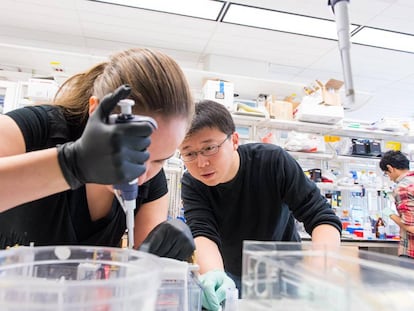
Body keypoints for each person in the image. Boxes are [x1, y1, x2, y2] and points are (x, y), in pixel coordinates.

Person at [0, 47, 195, 260]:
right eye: (131, 152)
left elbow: (142, 266)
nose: (139, 176)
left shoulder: (151, 182)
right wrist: (70, 164)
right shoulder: (38, 128)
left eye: (159, 160)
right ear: (95, 110)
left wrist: (164, 254)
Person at [179, 99, 342, 310]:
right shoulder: (192, 182)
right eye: (189, 153)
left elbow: (321, 216)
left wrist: (319, 270)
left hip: (283, 273)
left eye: (209, 148)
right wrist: (214, 275)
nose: (201, 163)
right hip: (229, 273)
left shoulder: (273, 162)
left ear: (234, 140)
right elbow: (202, 232)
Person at [380, 150, 414, 259]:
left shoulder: (403, 188)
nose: (389, 177)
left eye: (387, 173)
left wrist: (390, 214)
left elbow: (411, 227)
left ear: (390, 168)